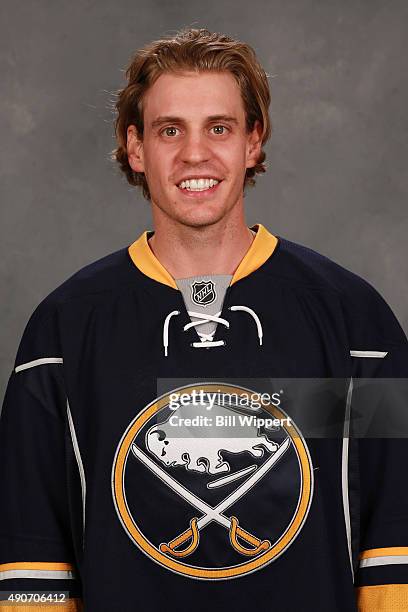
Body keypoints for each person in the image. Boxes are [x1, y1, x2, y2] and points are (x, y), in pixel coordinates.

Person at [0, 27, 407, 612]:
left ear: (253, 143)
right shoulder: (62, 335)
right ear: (135, 148)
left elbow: (395, 545)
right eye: (171, 130)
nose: (196, 154)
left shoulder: (355, 325)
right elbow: (33, 568)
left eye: (220, 128)